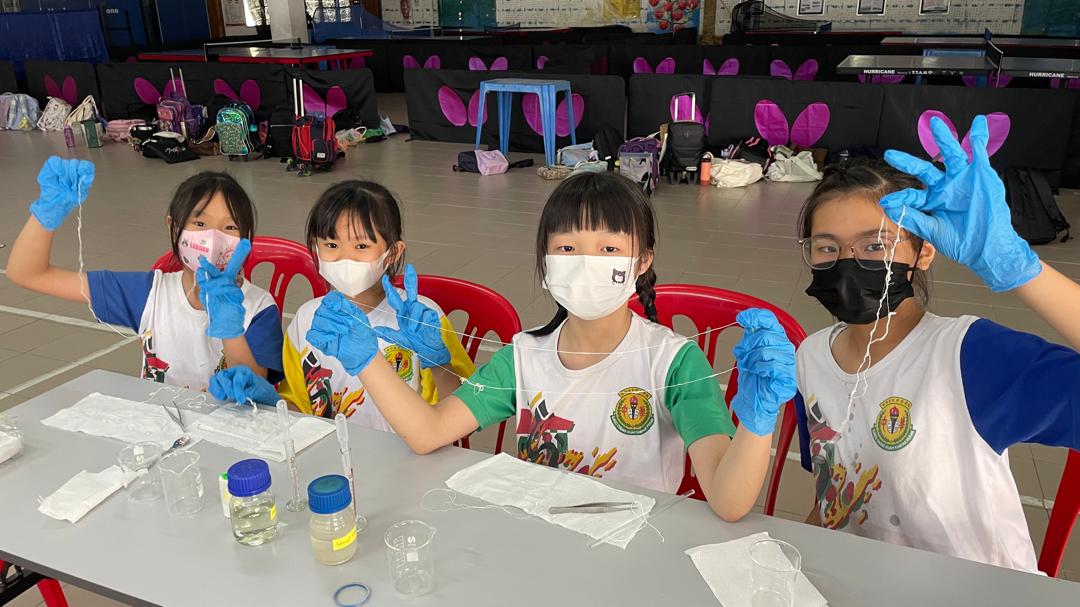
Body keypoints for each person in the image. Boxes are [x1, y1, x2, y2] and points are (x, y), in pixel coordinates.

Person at [298, 172, 797, 521]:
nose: (585, 262)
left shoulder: (671, 362)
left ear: (642, 261)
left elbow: (729, 502)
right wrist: (365, 359)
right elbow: (428, 432)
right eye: (566, 248)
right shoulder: (524, 357)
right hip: (537, 538)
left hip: (635, 547)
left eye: (608, 249)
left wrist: (757, 424)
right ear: (545, 260)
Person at [794, 115, 1080, 573]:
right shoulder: (810, 356)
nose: (848, 262)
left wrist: (1022, 270)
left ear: (923, 250)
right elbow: (833, 498)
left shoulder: (969, 356)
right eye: (827, 247)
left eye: (875, 245)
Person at [210, 180, 474, 431]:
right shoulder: (307, 319)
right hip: (332, 458)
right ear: (315, 248)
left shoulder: (421, 319)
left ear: (392, 252)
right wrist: (267, 398)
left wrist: (440, 364)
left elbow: (462, 415)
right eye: (331, 244)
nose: (344, 257)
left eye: (361, 246)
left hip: (411, 457)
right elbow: (301, 408)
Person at [6, 158, 283, 390]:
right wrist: (47, 212)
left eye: (230, 228)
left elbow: (253, 393)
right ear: (173, 228)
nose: (213, 237)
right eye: (199, 223)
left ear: (246, 239)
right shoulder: (149, 293)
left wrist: (230, 330)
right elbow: (27, 273)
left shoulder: (258, 308)